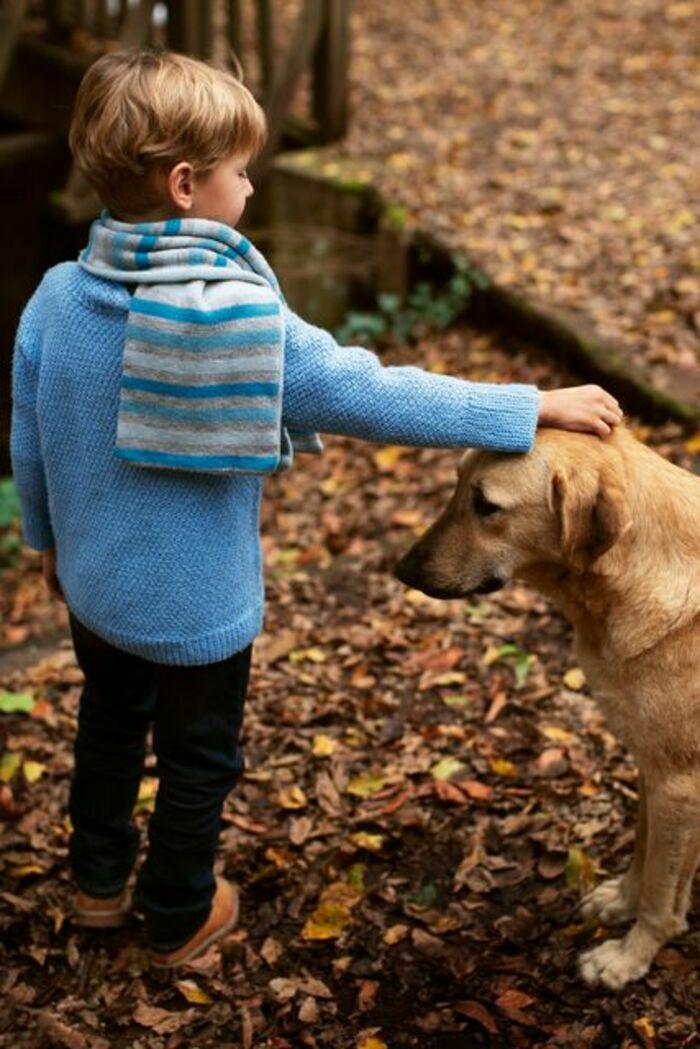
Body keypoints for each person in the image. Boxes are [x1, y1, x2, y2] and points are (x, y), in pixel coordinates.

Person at [11, 49, 622, 968]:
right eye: (240, 171)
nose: (251, 189)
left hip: (95, 587)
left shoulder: (57, 296)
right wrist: (529, 406)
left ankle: (98, 885)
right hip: (196, 611)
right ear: (185, 185)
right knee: (197, 760)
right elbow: (372, 393)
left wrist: (46, 538)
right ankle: (178, 913)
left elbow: (29, 431)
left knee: (107, 726)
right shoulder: (239, 319)